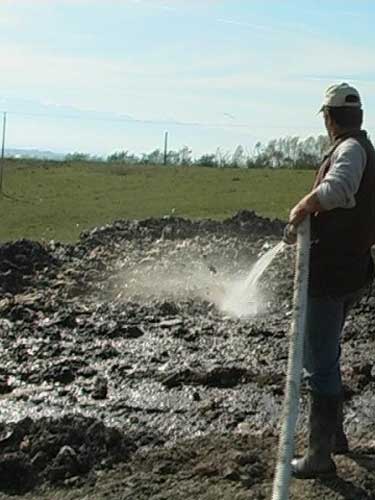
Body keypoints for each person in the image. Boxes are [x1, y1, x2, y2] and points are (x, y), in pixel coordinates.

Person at [285, 83, 375, 479]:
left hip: (331, 274)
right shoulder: (363, 150)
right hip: (351, 270)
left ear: (329, 118)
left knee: (318, 362)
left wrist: (303, 206)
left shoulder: (350, 150)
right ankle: (335, 436)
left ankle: (319, 456)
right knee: (328, 353)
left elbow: (337, 190)